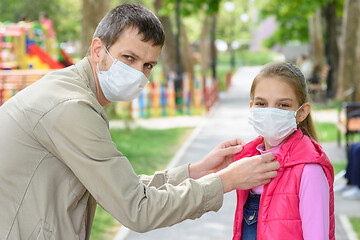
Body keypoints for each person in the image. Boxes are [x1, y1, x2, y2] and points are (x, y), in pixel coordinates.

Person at [0, 4, 280, 239]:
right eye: (128, 58)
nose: (138, 73)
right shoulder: (71, 108)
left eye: (147, 65)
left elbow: (119, 188)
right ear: (98, 50)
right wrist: (225, 181)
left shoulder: (71, 91)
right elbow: (137, 209)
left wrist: (196, 171)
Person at [232, 62, 335, 240]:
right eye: (261, 103)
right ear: (252, 107)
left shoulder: (309, 171)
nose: (270, 112)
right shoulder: (248, 163)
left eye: (283, 105)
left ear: (302, 113)